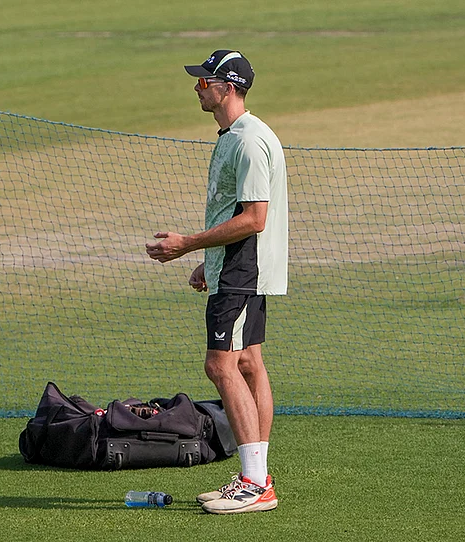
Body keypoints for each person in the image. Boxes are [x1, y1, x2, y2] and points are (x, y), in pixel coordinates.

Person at [145, 50, 288, 515]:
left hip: (243, 269)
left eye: (204, 82)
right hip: (235, 266)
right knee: (248, 363)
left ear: (226, 87)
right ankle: (256, 476)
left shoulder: (247, 141)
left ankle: (254, 482)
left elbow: (254, 218)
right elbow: (236, 213)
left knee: (220, 365)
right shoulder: (236, 135)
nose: (197, 88)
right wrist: (208, 259)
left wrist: (188, 244)